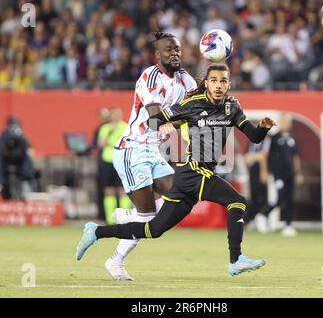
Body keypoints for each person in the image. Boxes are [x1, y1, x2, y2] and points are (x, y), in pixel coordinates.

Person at [76, 64, 277, 277]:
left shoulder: (232, 108)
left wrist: (263, 127)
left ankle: (97, 231)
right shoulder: (191, 104)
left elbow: (254, 137)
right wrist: (162, 125)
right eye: (214, 80)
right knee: (238, 201)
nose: (219, 85)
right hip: (193, 171)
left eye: (223, 81)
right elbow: (153, 121)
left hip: (189, 179)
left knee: (153, 230)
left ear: (229, 84)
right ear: (206, 83)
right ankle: (235, 259)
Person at [102, 31, 197, 281]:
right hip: (132, 149)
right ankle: (116, 261)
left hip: (152, 151)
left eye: (177, 48)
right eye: (168, 49)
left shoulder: (186, 81)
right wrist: (181, 122)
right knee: (148, 217)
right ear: (158, 54)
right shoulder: (150, 77)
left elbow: (197, 109)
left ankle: (128, 217)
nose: (174, 53)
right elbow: (156, 120)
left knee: (180, 194)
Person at [259, 113, 304, 237]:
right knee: (278, 197)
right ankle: (263, 215)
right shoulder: (272, 138)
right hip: (277, 173)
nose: (286, 124)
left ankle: (288, 225)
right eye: (283, 121)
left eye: (287, 121)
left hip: (290, 173)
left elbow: (295, 157)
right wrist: (263, 171)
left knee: (290, 198)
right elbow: (264, 155)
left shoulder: (292, 138)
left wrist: (298, 173)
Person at [97, 106, 130, 224]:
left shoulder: (126, 126)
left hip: (121, 161)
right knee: (108, 190)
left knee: (123, 190)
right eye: (114, 114)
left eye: (118, 113)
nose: (116, 116)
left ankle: (124, 219)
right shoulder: (105, 128)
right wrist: (110, 132)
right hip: (107, 161)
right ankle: (110, 219)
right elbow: (100, 144)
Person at [0, 117, 37, 200]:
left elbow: (28, 152)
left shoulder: (20, 137)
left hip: (21, 169)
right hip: (7, 169)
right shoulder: (21, 136)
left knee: (25, 192)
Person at [243, 135, 271, 232]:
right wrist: (255, 157)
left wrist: (263, 171)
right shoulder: (252, 140)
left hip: (264, 171)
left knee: (265, 198)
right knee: (255, 197)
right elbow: (246, 156)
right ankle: (251, 220)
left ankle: (261, 218)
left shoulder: (267, 140)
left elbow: (263, 156)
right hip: (253, 172)